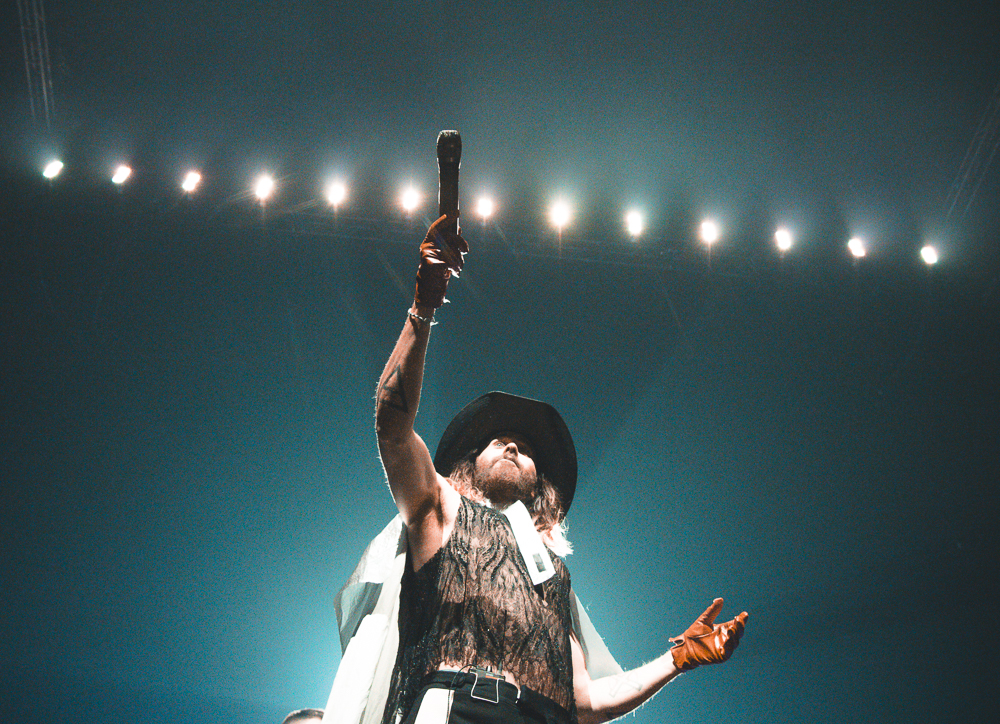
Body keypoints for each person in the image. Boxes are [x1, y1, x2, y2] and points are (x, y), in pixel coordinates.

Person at [330, 215, 748, 724]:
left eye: (526, 449)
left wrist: (678, 660)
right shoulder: (439, 508)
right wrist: (423, 306)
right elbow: (393, 428)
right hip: (460, 705)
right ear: (468, 464)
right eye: (497, 440)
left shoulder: (551, 573)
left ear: (539, 486)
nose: (512, 445)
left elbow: (586, 702)